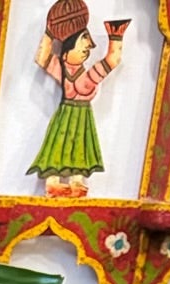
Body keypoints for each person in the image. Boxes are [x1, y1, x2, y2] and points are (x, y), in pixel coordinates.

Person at [31, 0, 126, 195]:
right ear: (67, 48)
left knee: (79, 147)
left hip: (81, 117)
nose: (86, 49)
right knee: (59, 145)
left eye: (87, 49)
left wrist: (116, 37)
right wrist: (50, 32)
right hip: (66, 114)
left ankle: (76, 181)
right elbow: (41, 57)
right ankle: (53, 181)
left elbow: (113, 59)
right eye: (82, 45)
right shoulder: (63, 70)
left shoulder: (88, 75)